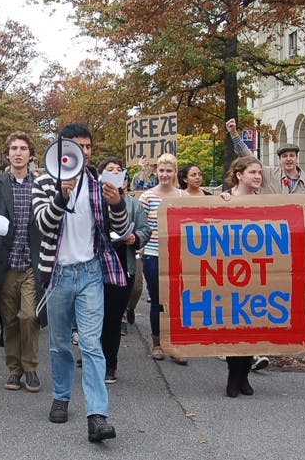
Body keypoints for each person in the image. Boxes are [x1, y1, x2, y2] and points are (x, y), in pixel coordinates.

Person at [31, 123, 129, 442]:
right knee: (60, 343)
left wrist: (116, 203)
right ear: (62, 150)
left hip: (90, 274)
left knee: (90, 344)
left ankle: (97, 415)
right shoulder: (45, 181)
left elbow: (120, 229)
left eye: (87, 147)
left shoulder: (99, 184)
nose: (83, 152)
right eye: (77, 146)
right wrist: (61, 196)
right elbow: (43, 225)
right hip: (58, 274)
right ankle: (61, 395)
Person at [227, 118, 305, 371]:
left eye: (292, 155)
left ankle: (286, 332)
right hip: (269, 245)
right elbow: (246, 156)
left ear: (297, 157)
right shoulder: (268, 176)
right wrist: (235, 133)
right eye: (284, 156)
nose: (288, 160)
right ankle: (254, 344)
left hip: (298, 245)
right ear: (280, 160)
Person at [0, 132, 42, 392]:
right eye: (13, 148)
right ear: (7, 154)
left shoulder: (41, 184)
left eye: (23, 148)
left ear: (30, 154)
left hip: (31, 264)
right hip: (3, 263)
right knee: (9, 320)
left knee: (29, 316)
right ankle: (14, 370)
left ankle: (31, 367)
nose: (18, 152)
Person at [97, 157, 151, 384]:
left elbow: (145, 229)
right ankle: (93, 357)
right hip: (95, 267)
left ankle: (110, 363)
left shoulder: (133, 204)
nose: (114, 173)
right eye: (109, 170)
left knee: (112, 318)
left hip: (123, 267)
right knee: (93, 316)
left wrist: (135, 237)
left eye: (118, 171)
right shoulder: (93, 201)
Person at [138, 153, 187, 364]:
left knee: (177, 301)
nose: (165, 175)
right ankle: (157, 343)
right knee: (158, 301)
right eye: (161, 170)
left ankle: (175, 344)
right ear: (156, 172)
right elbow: (141, 225)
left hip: (178, 255)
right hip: (153, 254)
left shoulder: (183, 197)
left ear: (175, 172)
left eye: (169, 171)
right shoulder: (147, 196)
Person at [221, 155, 263, 397]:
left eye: (259, 172)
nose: (257, 176)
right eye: (252, 172)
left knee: (251, 324)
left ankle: (244, 375)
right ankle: (232, 374)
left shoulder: (266, 201)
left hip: (256, 270)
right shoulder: (225, 199)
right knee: (233, 324)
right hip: (230, 271)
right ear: (239, 175)